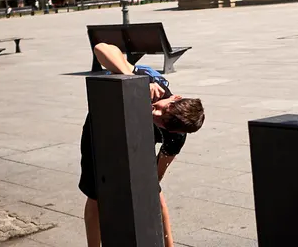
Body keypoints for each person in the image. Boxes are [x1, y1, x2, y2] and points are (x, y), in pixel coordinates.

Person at [81, 43, 205, 247]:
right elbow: (102, 48)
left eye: (163, 122)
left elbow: (155, 178)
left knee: (155, 193)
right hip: (101, 127)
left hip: (135, 138)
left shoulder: (175, 137)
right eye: (163, 110)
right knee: (95, 194)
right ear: (175, 98)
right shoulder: (153, 83)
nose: (156, 114)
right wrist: (133, 82)